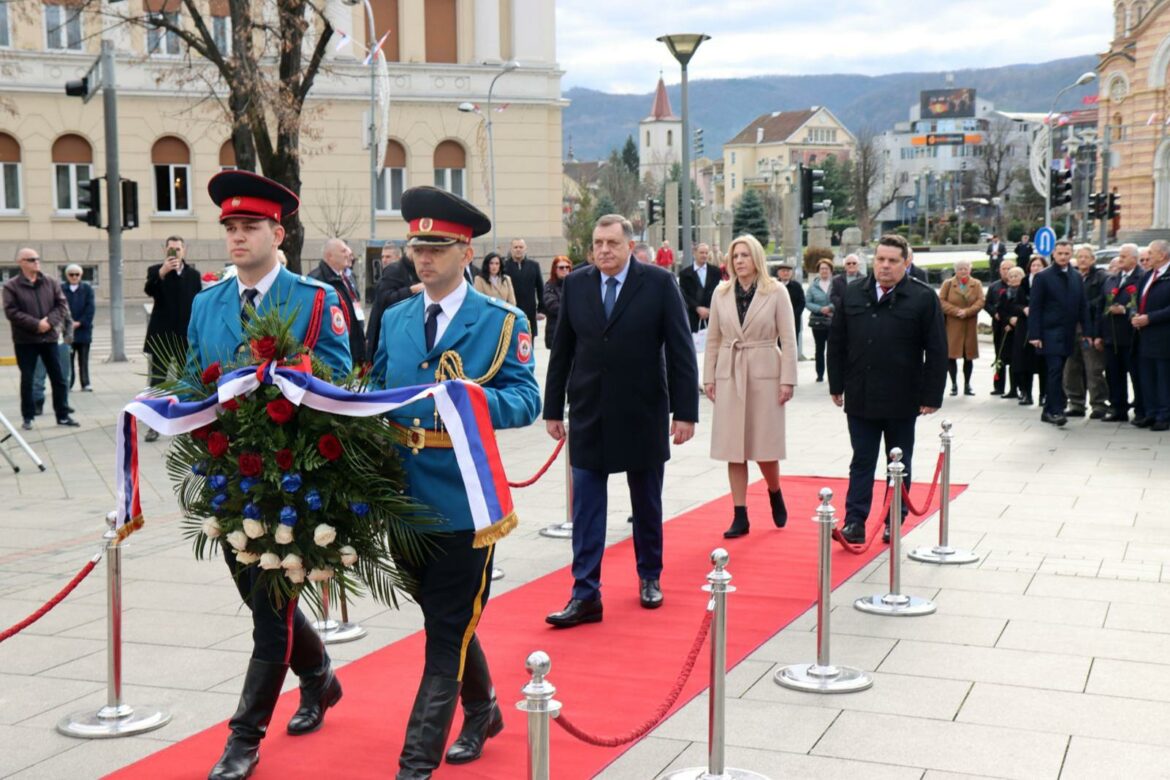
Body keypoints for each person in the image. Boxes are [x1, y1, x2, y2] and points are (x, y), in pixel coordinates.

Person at [370, 186, 540, 778]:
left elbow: (526, 399)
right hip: (404, 493)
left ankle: (415, 764)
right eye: (418, 246)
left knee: (445, 631)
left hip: (468, 498)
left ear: (466, 252)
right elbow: (375, 390)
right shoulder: (393, 318)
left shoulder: (500, 322)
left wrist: (472, 401)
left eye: (438, 247)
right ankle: (484, 708)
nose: (424, 258)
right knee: (444, 615)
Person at [189, 171, 352, 780]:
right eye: (230, 227)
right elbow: (192, 379)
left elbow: (339, 384)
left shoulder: (313, 299)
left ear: (277, 232)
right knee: (262, 601)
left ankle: (243, 739)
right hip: (229, 476)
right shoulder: (207, 302)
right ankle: (318, 677)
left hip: (291, 479)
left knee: (268, 614)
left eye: (249, 227)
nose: (237, 237)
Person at [543, 213, 698, 627]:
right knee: (587, 506)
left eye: (612, 243)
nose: (604, 251)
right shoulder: (576, 284)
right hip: (590, 411)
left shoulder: (659, 284)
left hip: (643, 410)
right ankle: (585, 593)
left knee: (646, 502)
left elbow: (681, 351)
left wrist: (685, 413)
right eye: (598, 243)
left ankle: (650, 576)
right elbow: (562, 351)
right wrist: (552, 409)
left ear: (630, 245)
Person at [828, 234, 946, 545]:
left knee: (899, 461)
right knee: (862, 460)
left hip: (902, 397)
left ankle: (894, 519)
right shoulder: (854, 294)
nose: (885, 266)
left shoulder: (922, 298)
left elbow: (936, 349)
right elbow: (836, 343)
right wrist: (836, 384)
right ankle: (855, 521)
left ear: (906, 263)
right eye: (880, 259)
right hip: (861, 394)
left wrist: (931, 396)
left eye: (893, 261)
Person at [703, 234, 797, 538]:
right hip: (730, 371)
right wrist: (708, 377)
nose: (739, 260)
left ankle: (774, 490)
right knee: (734, 448)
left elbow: (790, 338)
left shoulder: (776, 291)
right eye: (735, 256)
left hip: (765, 368)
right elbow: (714, 338)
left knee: (764, 446)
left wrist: (788, 379)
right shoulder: (721, 293)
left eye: (744, 255)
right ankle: (740, 514)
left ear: (755, 257)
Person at [3, 248, 78, 430]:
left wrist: (49, 323)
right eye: (31, 259)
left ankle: (62, 415)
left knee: (59, 378)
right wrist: (36, 324)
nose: (36, 262)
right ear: (21, 262)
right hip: (25, 340)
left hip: (49, 338)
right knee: (28, 379)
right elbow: (11, 312)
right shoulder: (11, 286)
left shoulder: (50, 282)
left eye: (37, 258)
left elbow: (61, 305)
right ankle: (28, 417)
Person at [143, 235, 201, 441]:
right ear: (165, 250)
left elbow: (198, 303)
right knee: (158, 380)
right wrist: (162, 273)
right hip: (161, 334)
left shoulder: (193, 275)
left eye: (178, 249)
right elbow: (149, 290)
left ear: (184, 250)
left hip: (185, 336)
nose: (175, 253)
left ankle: (186, 423)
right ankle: (154, 424)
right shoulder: (156, 271)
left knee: (187, 379)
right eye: (171, 249)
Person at [1027, 239, 1090, 426]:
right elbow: (1035, 307)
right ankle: (1056, 410)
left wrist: (1088, 331)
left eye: (1067, 254)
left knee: (1059, 370)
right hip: (1049, 332)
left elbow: (1082, 306)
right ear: (1054, 254)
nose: (1063, 257)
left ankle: (1048, 410)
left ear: (1071, 255)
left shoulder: (1076, 277)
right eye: (1060, 253)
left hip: (1068, 333)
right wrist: (1035, 334)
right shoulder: (1043, 277)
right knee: (1055, 371)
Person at [1063, 243, 1109, 419]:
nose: (1082, 260)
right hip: (1071, 328)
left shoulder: (1101, 277)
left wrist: (1083, 307)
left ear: (1093, 259)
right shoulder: (1071, 276)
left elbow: (1102, 300)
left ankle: (1099, 404)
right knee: (1071, 368)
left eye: (1086, 257)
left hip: (1089, 327)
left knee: (1093, 369)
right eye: (1079, 256)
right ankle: (1075, 403)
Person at [1101, 243, 1144, 422]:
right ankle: (1118, 408)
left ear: (1134, 259)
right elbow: (1101, 307)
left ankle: (1141, 409)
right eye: (1120, 255)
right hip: (1111, 336)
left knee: (1136, 375)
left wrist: (1125, 310)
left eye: (1124, 256)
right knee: (1113, 374)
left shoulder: (1141, 277)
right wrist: (1098, 334)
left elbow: (1141, 303)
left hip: (1131, 336)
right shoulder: (1112, 279)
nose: (1120, 259)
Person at [308, 237, 367, 364]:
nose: (348, 254)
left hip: (353, 346)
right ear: (330, 256)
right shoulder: (316, 280)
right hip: (332, 351)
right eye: (343, 251)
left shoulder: (348, 277)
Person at [1131, 239, 1170, 430]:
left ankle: (1164, 415)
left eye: (1151, 253)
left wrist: (1150, 318)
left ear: (1162, 255)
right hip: (1144, 338)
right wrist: (1135, 316)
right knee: (1146, 377)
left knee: (1163, 378)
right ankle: (1151, 412)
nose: (1147, 257)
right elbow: (1137, 301)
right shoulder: (1147, 276)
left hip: (1163, 338)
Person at [938, 259, 985, 396]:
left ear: (970, 270)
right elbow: (941, 301)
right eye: (960, 269)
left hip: (969, 324)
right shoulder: (948, 284)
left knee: (968, 356)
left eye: (965, 268)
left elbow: (981, 301)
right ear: (956, 271)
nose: (963, 271)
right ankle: (953, 384)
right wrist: (956, 311)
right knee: (951, 356)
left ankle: (967, 385)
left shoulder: (976, 284)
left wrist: (967, 312)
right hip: (953, 324)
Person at [368, 244, 422, 357]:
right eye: (383, 257)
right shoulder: (394, 270)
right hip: (391, 333)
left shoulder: (417, 270)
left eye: (388, 257)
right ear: (408, 250)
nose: (384, 260)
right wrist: (411, 290)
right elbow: (384, 299)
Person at [503, 238, 545, 338]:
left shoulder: (534, 266)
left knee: (529, 342)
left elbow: (540, 288)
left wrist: (541, 310)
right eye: (515, 247)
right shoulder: (504, 266)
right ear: (511, 249)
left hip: (529, 312)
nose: (518, 249)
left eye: (521, 247)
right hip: (510, 312)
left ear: (525, 249)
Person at [997, 266, 1027, 401]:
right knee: (1010, 360)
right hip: (1009, 331)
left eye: (1017, 275)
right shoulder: (1005, 293)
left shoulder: (1026, 292)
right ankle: (1013, 388)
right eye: (1011, 276)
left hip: (1023, 330)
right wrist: (1009, 321)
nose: (1014, 278)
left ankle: (1023, 389)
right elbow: (1001, 311)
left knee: (1022, 361)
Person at [63, 264, 95, 392]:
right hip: (67, 330)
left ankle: (85, 383)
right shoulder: (62, 289)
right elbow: (60, 307)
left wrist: (80, 322)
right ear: (67, 276)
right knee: (67, 360)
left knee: (83, 359)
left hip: (83, 330)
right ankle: (68, 383)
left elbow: (90, 308)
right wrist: (69, 323)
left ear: (81, 275)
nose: (74, 277)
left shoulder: (87, 289)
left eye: (77, 274)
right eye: (71, 274)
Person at [677, 242, 721, 333]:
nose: (704, 255)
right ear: (695, 253)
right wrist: (697, 308)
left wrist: (709, 309)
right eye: (701, 252)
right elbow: (683, 295)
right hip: (692, 316)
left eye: (706, 253)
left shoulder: (716, 272)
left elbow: (718, 292)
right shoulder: (685, 273)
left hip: (711, 316)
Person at [806, 258, 835, 382]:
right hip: (818, 322)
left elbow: (840, 298)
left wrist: (830, 308)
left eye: (826, 269)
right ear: (818, 271)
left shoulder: (836, 284)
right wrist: (820, 309)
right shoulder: (812, 287)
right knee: (819, 349)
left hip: (833, 321)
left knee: (833, 349)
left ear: (831, 271)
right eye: (822, 269)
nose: (824, 271)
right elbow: (807, 303)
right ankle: (820, 374)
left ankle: (833, 374)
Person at [775, 259, 805, 356]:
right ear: (778, 273)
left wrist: (792, 315)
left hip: (793, 321)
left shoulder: (796, 286)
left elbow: (802, 302)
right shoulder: (774, 286)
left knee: (791, 347)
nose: (785, 273)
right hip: (776, 322)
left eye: (788, 271)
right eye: (783, 271)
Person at [542, 255, 572, 350]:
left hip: (572, 330)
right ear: (555, 269)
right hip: (556, 330)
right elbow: (552, 306)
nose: (564, 270)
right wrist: (572, 310)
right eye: (561, 267)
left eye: (567, 267)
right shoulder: (550, 286)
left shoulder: (575, 284)